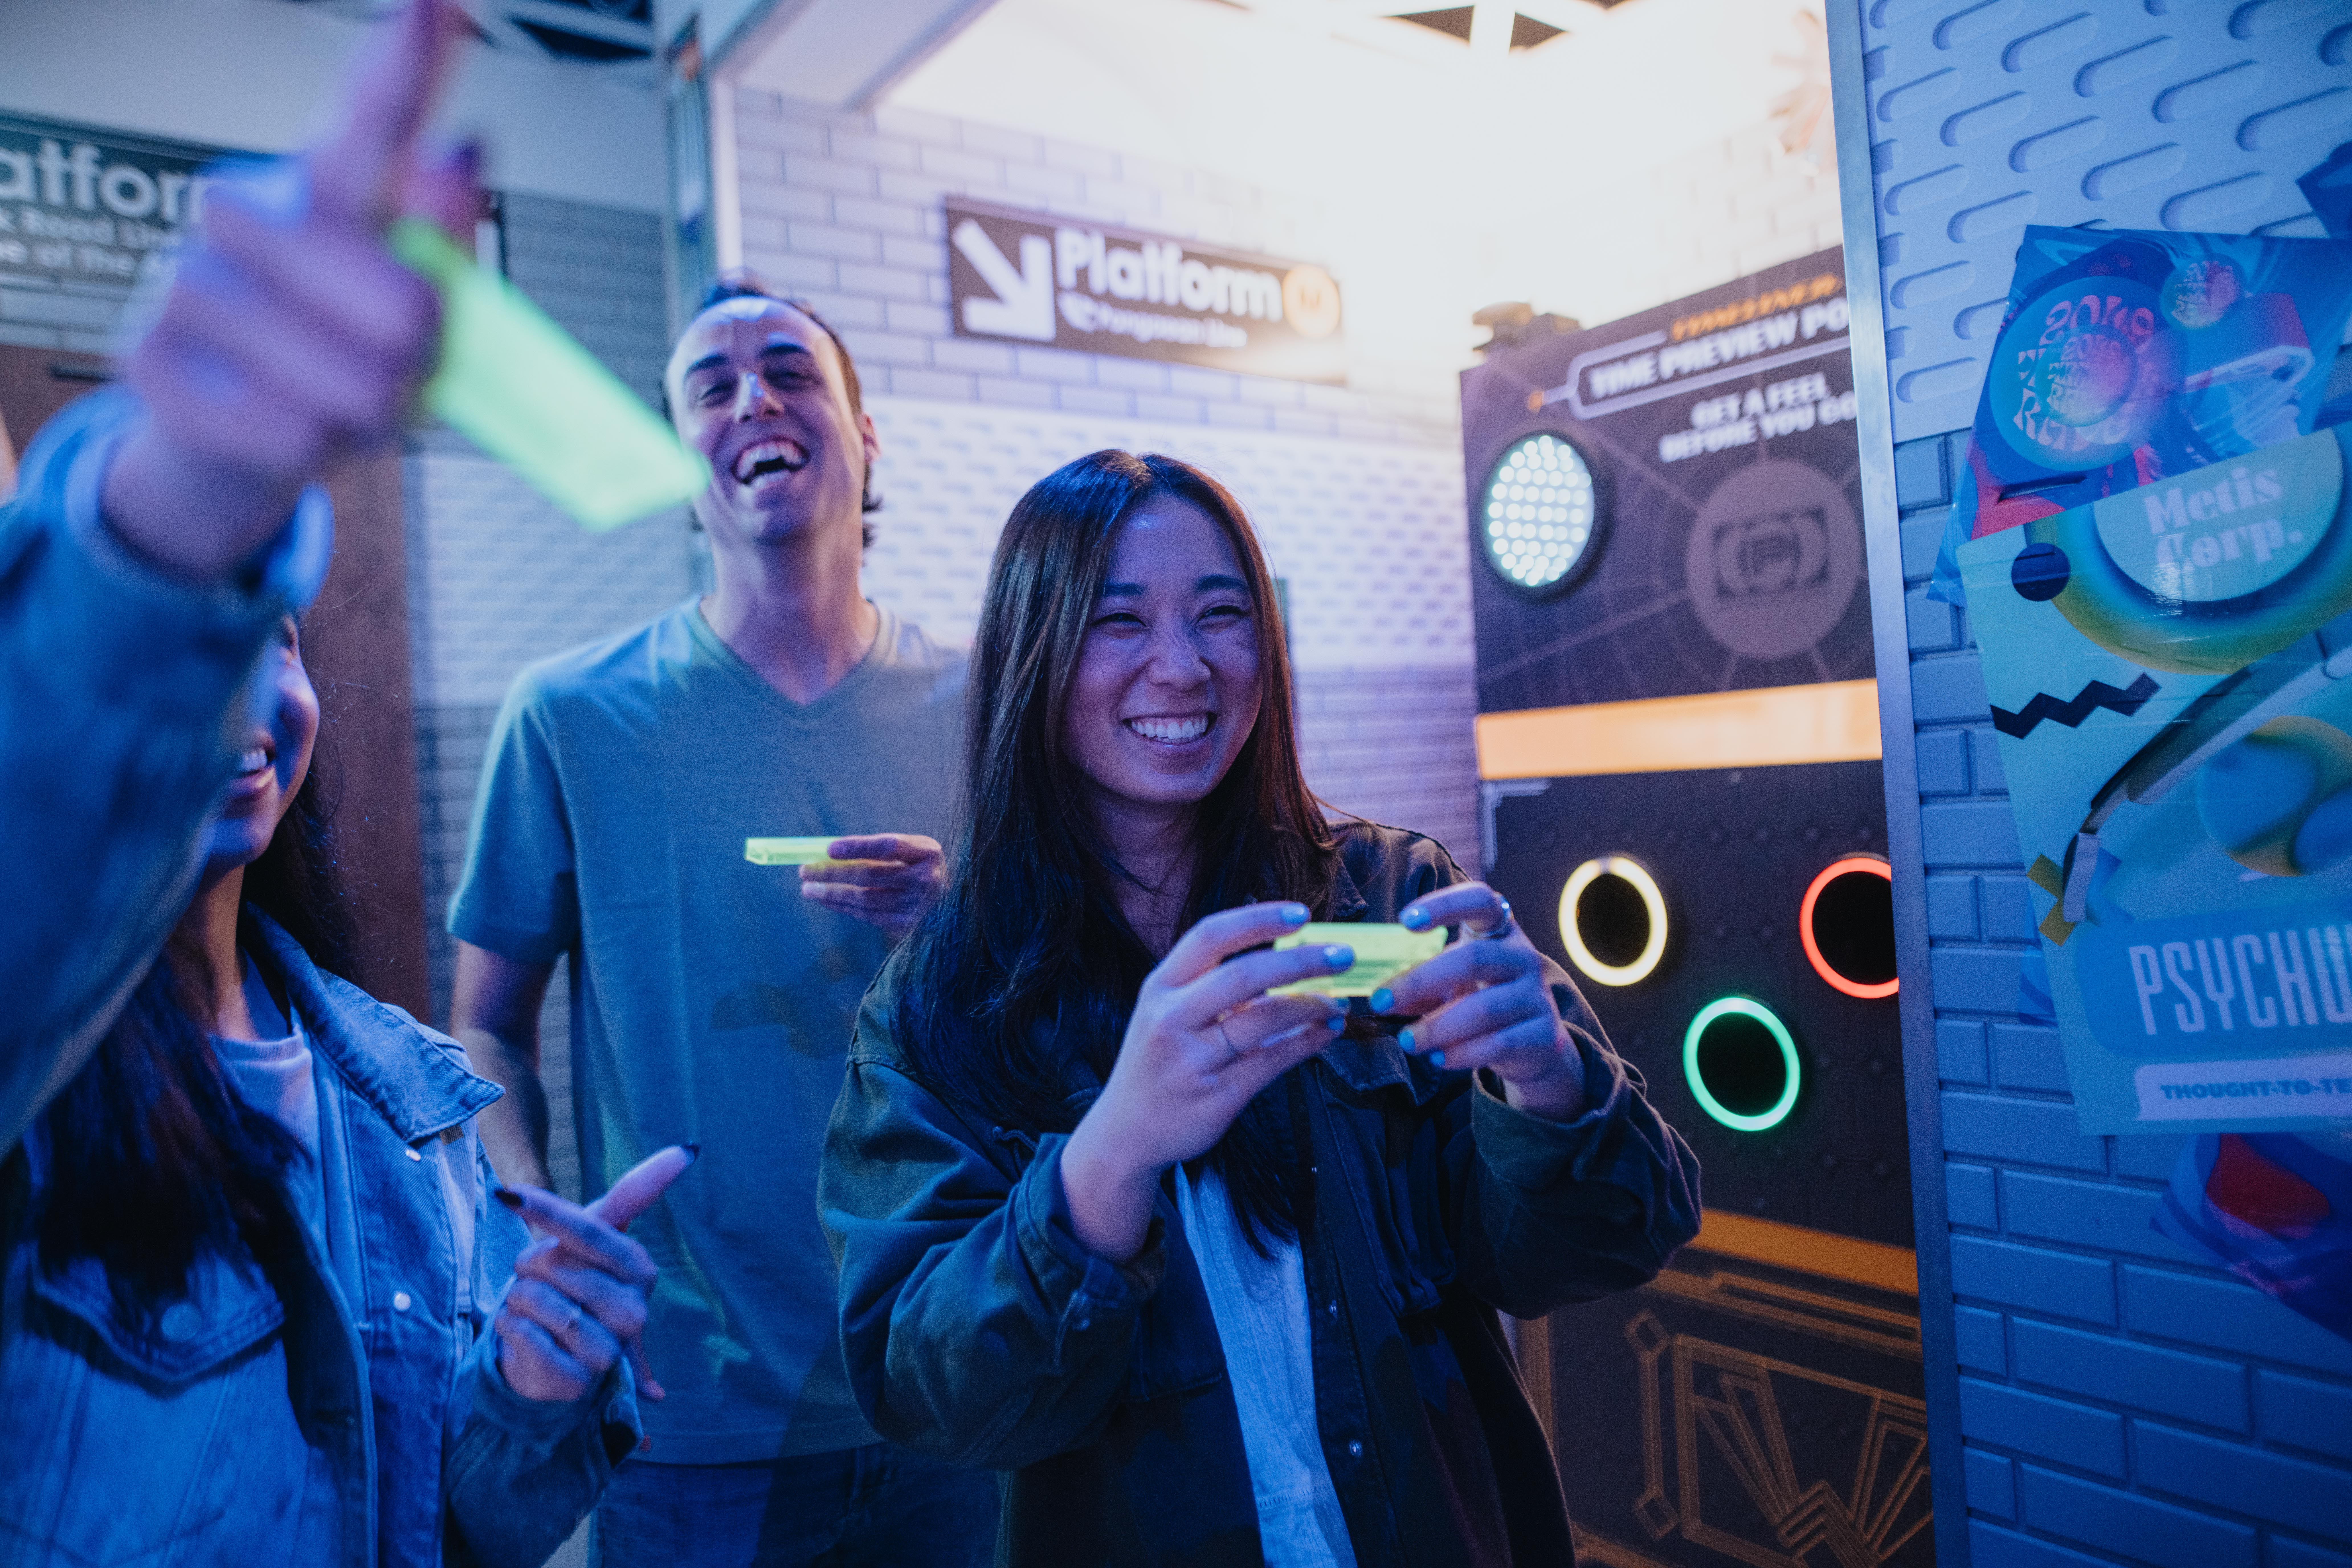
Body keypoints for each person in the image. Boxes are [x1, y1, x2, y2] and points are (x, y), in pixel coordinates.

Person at [0, 4, 688, 1562]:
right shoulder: (41, 1086)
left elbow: (465, 1519)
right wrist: (186, 511)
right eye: (225, 644)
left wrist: (530, 1382)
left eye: (286, 645)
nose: (253, 703)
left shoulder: (400, 1091)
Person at [820, 451, 1703, 1567]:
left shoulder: (1389, 897)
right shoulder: (944, 1004)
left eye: (1223, 613)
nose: (1183, 665)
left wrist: (1550, 1088)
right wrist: (1115, 1150)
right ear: (1030, 652)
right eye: (1117, 619)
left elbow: (1595, 1248)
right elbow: (930, 1390)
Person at [448, 276, 995, 1562]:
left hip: (960, 1361)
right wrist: (536, 1218)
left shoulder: (988, 706)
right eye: (712, 385)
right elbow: (483, 1030)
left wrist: (959, 919)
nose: (755, 397)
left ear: (868, 438)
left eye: (793, 371)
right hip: (690, 1408)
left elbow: (1073, 998)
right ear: (680, 462)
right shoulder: (569, 718)